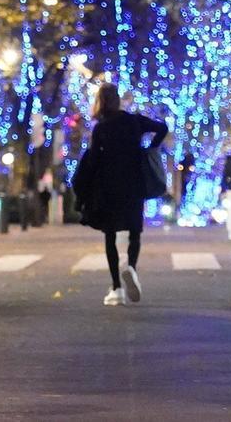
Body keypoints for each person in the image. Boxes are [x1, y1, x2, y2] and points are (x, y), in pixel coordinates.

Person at [72, 83, 168, 306]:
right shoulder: (134, 121)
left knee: (110, 235)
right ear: (118, 99)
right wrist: (150, 149)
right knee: (135, 231)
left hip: (108, 186)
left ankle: (116, 288)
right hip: (133, 183)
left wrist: (84, 188)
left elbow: (94, 160)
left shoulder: (101, 128)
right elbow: (162, 128)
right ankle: (131, 268)